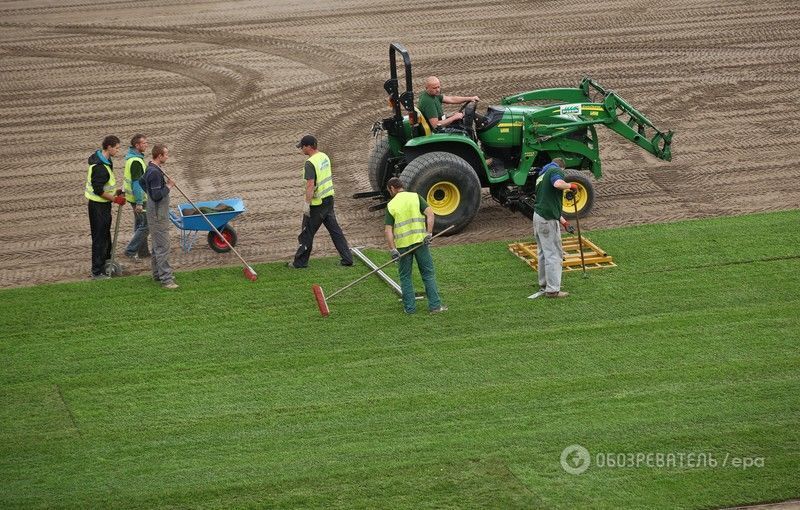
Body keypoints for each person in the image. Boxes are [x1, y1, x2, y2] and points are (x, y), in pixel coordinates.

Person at [288, 134, 353, 269]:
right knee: (335, 231)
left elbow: (310, 185)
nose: (301, 150)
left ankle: (300, 263)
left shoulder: (310, 163)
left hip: (317, 204)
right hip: (329, 199)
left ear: (308, 147)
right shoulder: (324, 157)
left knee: (307, 232)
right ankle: (347, 258)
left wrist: (307, 203)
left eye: (302, 147)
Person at [384, 177, 447, 314]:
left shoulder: (391, 205)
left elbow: (388, 230)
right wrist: (429, 233)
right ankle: (435, 307)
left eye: (389, 190)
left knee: (405, 277)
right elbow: (430, 214)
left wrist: (392, 249)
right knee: (428, 274)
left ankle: (410, 309)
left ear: (392, 189)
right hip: (420, 243)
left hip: (402, 248)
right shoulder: (415, 197)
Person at [532, 158, 578, 298]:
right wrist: (571, 185)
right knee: (553, 254)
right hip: (547, 220)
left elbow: (549, 202)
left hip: (538, 217)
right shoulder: (555, 170)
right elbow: (558, 184)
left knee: (543, 253)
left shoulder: (542, 175)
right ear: (562, 168)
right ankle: (552, 290)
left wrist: (564, 223)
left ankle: (545, 284)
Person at [85, 135, 124, 280]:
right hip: (97, 207)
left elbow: (106, 186)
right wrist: (115, 199)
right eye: (117, 148)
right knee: (99, 238)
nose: (118, 151)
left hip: (103, 206)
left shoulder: (106, 160)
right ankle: (96, 271)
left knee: (105, 236)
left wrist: (115, 193)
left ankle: (106, 263)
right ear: (109, 147)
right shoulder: (100, 167)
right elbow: (98, 190)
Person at [141, 144, 178, 289]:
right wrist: (169, 186)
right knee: (163, 246)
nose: (167, 157)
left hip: (154, 212)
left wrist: (149, 195)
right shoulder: (155, 172)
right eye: (166, 154)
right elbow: (156, 196)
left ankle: (157, 274)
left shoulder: (151, 168)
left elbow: (141, 181)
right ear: (159, 156)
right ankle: (166, 280)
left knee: (157, 244)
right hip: (158, 214)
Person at [123, 134, 150, 261]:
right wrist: (139, 202)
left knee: (140, 224)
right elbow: (136, 183)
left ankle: (143, 252)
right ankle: (130, 251)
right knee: (146, 225)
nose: (146, 144)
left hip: (133, 198)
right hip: (138, 199)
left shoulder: (132, 158)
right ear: (137, 145)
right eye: (144, 143)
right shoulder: (135, 161)